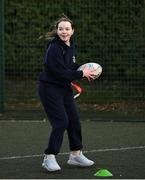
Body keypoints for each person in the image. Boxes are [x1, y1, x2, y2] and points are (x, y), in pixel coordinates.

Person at [38, 15, 95, 172]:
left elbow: (70, 66)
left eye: (67, 29)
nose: (64, 32)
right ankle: (49, 157)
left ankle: (76, 155)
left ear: (72, 31)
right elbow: (58, 72)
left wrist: (84, 70)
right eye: (61, 29)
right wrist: (80, 74)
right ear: (57, 31)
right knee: (61, 122)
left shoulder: (71, 45)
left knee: (74, 121)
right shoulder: (54, 47)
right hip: (49, 88)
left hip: (64, 88)